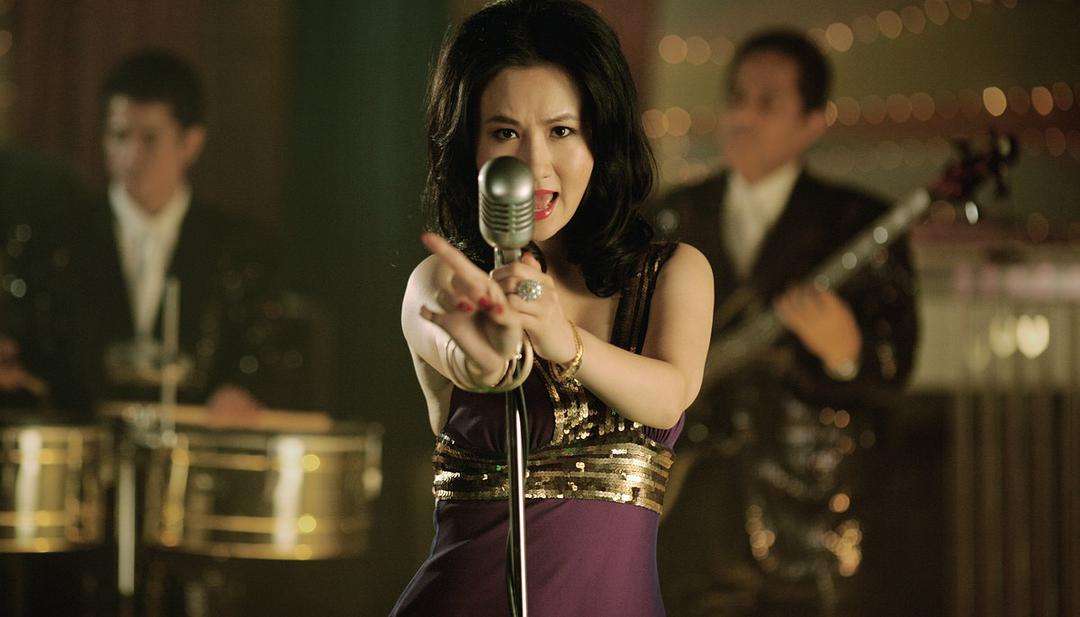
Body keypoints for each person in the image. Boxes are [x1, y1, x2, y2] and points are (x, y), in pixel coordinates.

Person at [392, 1, 714, 615]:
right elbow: (476, 363)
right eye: (504, 133)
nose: (533, 166)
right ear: (469, 148)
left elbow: (669, 395)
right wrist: (491, 351)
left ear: (601, 140)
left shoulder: (674, 273)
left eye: (561, 131)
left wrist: (562, 339)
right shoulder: (439, 280)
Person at [650, 30, 919, 616]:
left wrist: (847, 352)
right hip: (691, 512)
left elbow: (893, 369)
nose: (743, 115)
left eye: (767, 101)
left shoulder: (858, 222)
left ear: (813, 121)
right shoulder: (673, 215)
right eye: (736, 97)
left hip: (811, 516)